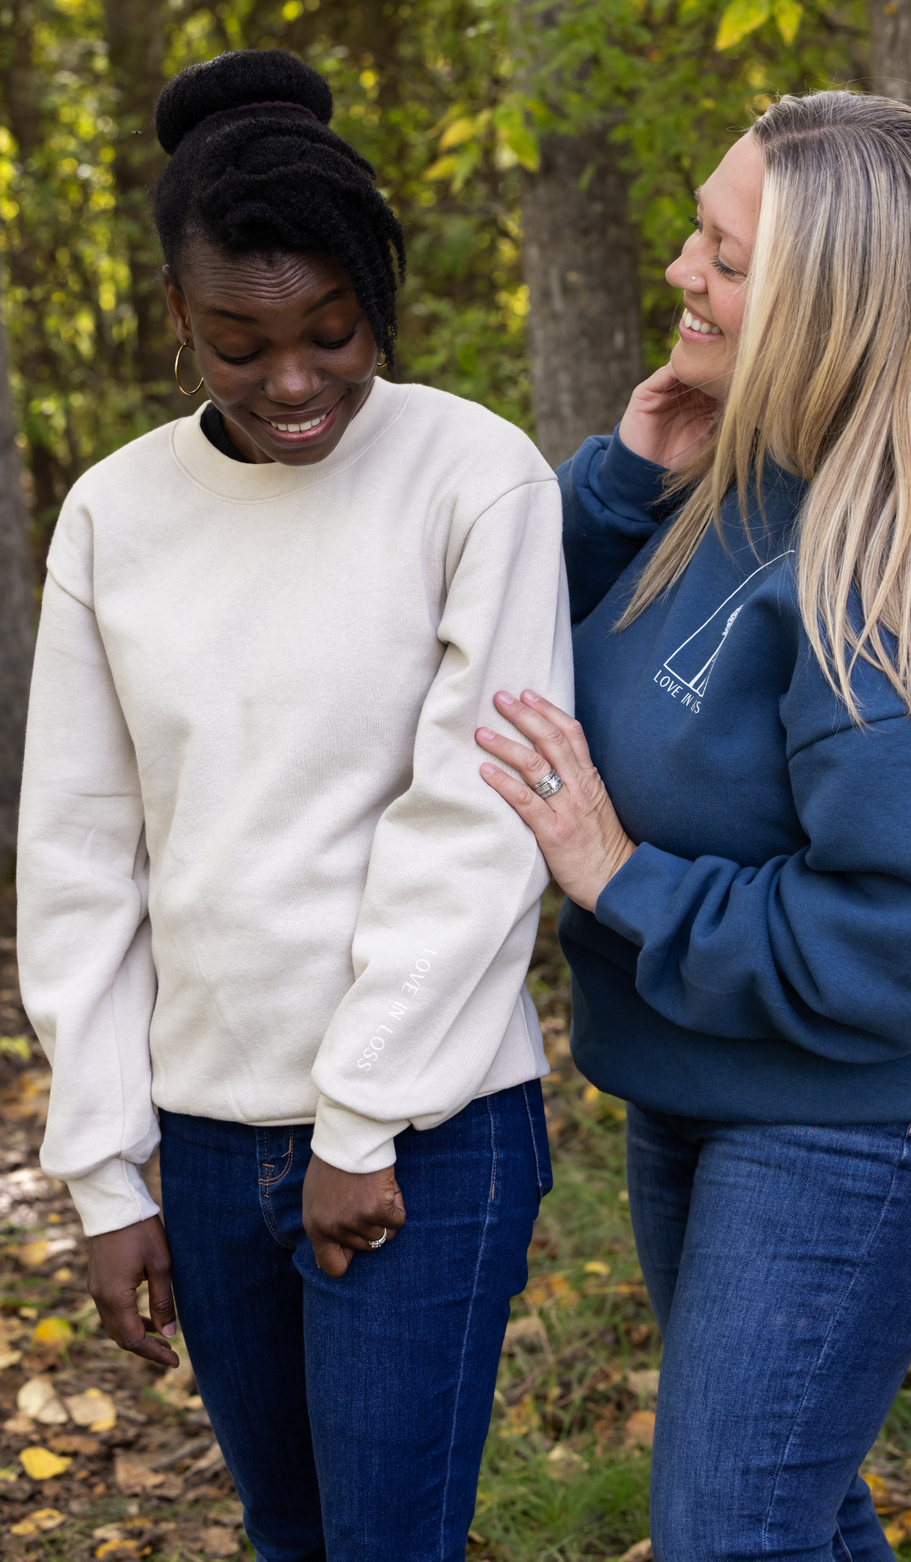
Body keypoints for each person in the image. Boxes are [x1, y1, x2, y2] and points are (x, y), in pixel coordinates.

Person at [475, 90, 911, 1561]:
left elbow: (900, 938)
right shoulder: (748, 464)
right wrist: (622, 487)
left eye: (727, 257)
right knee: (783, 1497)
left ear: (832, 303)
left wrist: (623, 881)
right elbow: (510, 651)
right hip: (719, 1068)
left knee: (735, 1524)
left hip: (868, 1108)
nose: (683, 270)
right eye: (700, 230)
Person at [17, 48, 571, 1562]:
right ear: (177, 318)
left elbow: (478, 817)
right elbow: (79, 850)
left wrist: (362, 1119)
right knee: (290, 1537)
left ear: (375, 297)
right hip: (202, 1138)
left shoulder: (476, 479)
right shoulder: (114, 514)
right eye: (238, 343)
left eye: (334, 332)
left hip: (428, 1124)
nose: (295, 382)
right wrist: (106, 1171)